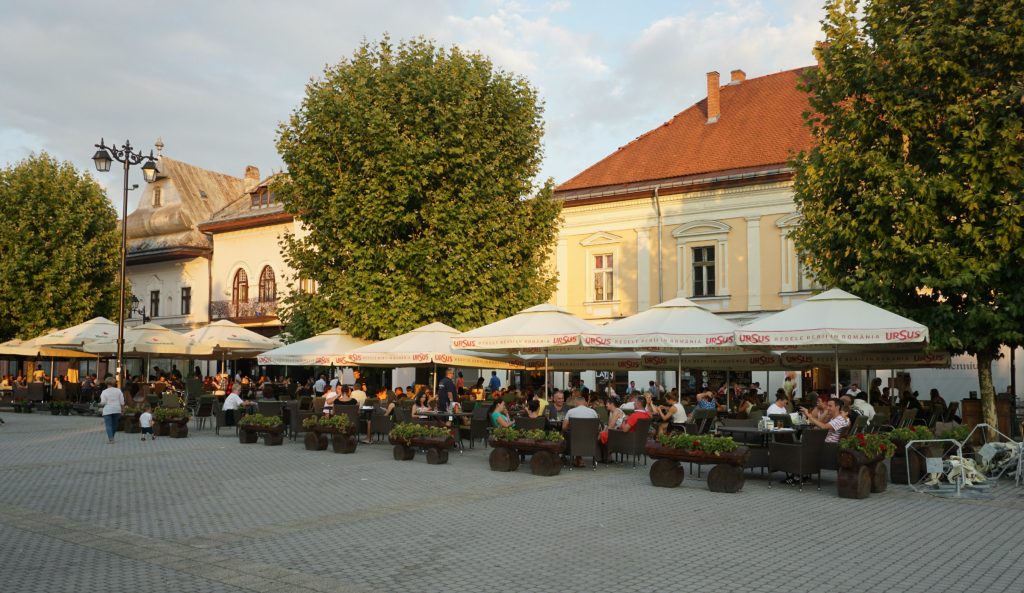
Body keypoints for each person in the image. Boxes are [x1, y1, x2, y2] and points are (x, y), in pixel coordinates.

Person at [98, 377, 124, 444]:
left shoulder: (104, 392)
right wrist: (122, 410)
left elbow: (103, 402)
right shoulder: (118, 390)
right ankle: (112, 437)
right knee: (115, 425)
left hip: (108, 410)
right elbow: (122, 401)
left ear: (106, 383)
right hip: (117, 409)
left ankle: (111, 439)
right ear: (114, 383)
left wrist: (99, 404)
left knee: (108, 425)